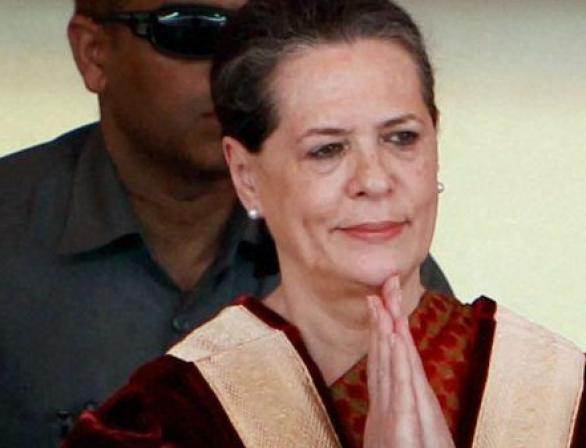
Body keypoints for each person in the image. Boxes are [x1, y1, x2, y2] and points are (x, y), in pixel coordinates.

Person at [62, 0, 586, 446]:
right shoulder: (167, 421)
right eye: (327, 149)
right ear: (247, 174)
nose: (374, 179)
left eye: (401, 138)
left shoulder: (578, 408)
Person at [0, 0, 450, 445]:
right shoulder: (12, 232)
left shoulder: (381, 265)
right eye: (194, 30)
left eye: (402, 137)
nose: (241, 65)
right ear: (94, 51)